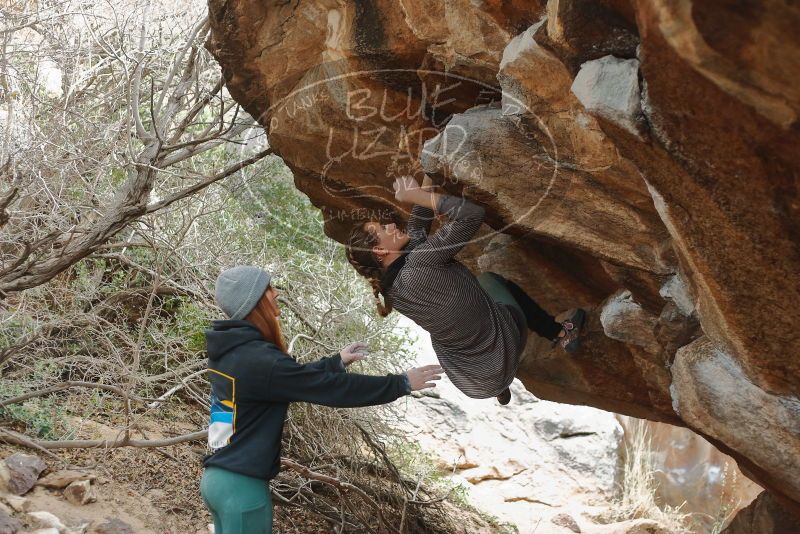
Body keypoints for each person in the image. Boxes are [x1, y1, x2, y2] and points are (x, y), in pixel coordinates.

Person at [200, 265, 443, 534]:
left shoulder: (228, 354)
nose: (276, 293)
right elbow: (332, 389)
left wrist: (336, 362)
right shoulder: (260, 360)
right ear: (254, 302)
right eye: (269, 289)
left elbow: (293, 380)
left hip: (216, 479)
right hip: (241, 489)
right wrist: (400, 383)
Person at [346, 175, 585, 406]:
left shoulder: (391, 291)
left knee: (449, 331)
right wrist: (417, 195)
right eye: (382, 229)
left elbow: (418, 228)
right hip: (507, 345)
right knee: (488, 280)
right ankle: (561, 334)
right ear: (380, 252)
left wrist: (429, 173)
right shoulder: (421, 262)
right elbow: (472, 215)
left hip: (474, 381)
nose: (390, 225)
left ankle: (500, 387)